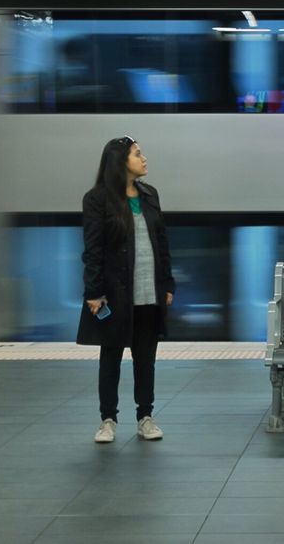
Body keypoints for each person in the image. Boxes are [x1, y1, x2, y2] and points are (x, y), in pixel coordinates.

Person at [76, 136, 175, 444]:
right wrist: (94, 292)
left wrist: (167, 283)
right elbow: (92, 250)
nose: (144, 159)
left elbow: (161, 242)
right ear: (121, 162)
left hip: (149, 291)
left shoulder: (150, 195)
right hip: (116, 294)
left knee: (146, 358)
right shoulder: (97, 199)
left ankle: (145, 416)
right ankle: (108, 419)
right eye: (137, 154)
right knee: (111, 357)